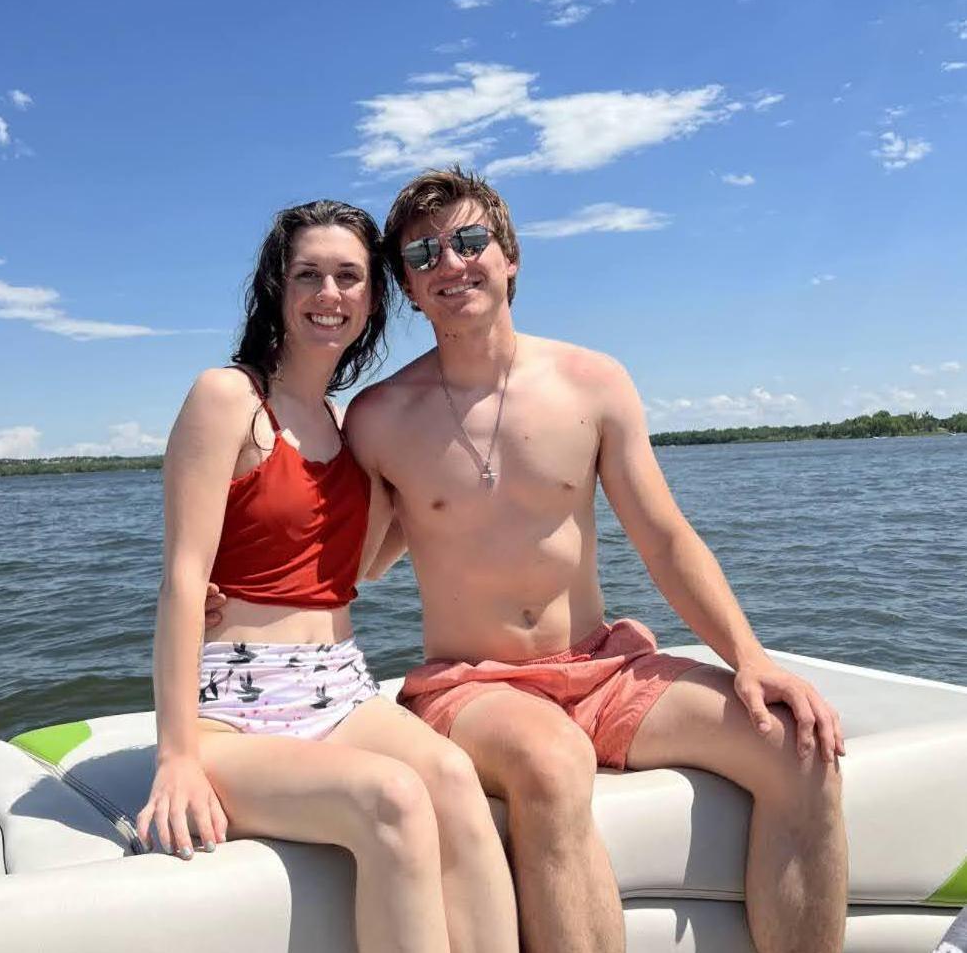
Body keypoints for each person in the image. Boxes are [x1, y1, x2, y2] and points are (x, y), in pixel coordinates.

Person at [342, 167, 849, 953]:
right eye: (423, 254)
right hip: (472, 686)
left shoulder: (595, 382)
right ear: (406, 287)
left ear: (509, 256)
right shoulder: (376, 417)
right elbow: (349, 568)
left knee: (797, 747)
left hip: (603, 668)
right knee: (550, 763)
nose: (451, 263)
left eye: (471, 240)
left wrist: (748, 657)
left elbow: (665, 538)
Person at [137, 199, 518, 953]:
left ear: (373, 299)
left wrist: (438, 482)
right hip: (233, 706)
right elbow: (184, 580)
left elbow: (364, 565)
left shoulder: (344, 428)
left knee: (451, 776)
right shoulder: (228, 399)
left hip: (342, 686)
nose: (329, 294)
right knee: (394, 798)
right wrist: (177, 756)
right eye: (309, 274)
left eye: (349, 276)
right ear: (277, 287)